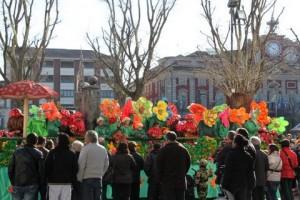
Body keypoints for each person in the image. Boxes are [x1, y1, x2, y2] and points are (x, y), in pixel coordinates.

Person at [8, 133, 44, 200]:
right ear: (36, 141)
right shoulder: (39, 153)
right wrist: (40, 185)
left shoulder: (17, 152)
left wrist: (13, 183)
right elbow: (41, 172)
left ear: (26, 140)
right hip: (32, 185)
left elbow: (10, 169)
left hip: (17, 184)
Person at [157, 131, 191, 200]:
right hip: (180, 180)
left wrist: (160, 178)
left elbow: (158, 166)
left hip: (167, 181)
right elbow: (188, 163)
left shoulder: (163, 150)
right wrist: (183, 173)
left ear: (167, 139)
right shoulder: (183, 149)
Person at [77, 130, 109, 200]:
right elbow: (106, 164)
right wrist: (101, 174)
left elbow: (81, 164)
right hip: (98, 178)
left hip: (87, 179)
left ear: (88, 138)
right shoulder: (103, 149)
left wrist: (79, 178)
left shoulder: (85, 149)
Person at [45, 133, 78, 200]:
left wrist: (49, 178)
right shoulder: (71, 154)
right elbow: (75, 169)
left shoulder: (52, 153)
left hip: (53, 183)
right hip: (67, 183)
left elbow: (46, 166)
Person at [222, 134, 253, 200]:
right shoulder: (248, 156)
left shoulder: (231, 154)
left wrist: (224, 184)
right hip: (243, 184)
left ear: (235, 143)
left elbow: (228, 170)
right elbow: (250, 172)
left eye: (233, 142)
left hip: (232, 184)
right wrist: (251, 184)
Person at [236, 128, 256, 200]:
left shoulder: (247, 146)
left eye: (236, 134)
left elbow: (246, 162)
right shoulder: (249, 144)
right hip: (248, 176)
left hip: (246, 177)